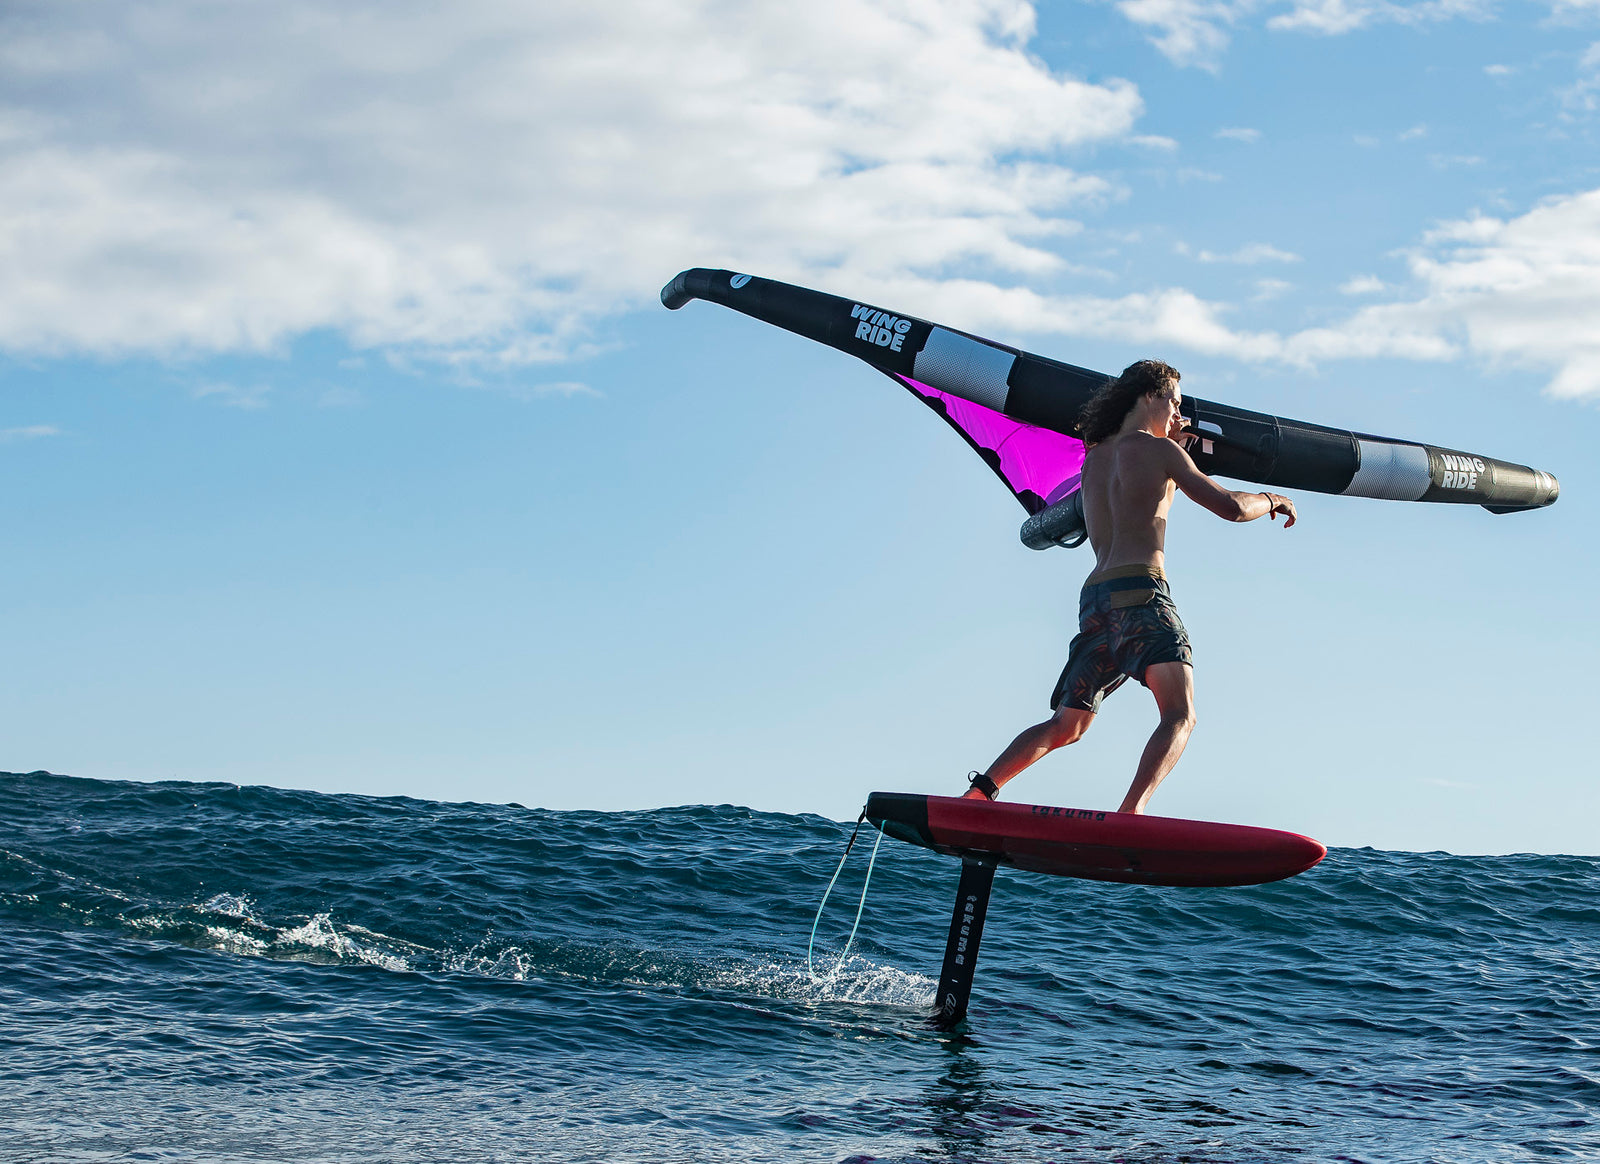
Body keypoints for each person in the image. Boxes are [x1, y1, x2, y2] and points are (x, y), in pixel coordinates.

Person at [962, 360, 1297, 813]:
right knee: (1180, 714)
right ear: (1149, 396)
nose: (1179, 414)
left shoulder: (1095, 457)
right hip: (1141, 593)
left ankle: (979, 791)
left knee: (1066, 724)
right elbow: (1231, 508)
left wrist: (1171, 453)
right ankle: (1131, 812)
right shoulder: (1159, 452)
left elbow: (1135, 499)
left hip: (1095, 599)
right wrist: (1273, 498)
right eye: (1174, 402)